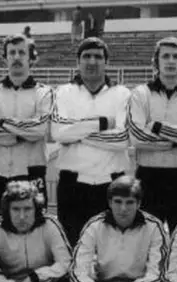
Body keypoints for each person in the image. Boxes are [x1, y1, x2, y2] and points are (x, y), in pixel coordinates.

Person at [51, 37, 131, 245]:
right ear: (78, 62)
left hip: (111, 183)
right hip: (72, 184)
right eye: (86, 56)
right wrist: (103, 123)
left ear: (107, 62)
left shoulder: (122, 94)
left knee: (111, 248)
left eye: (98, 57)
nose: (92, 61)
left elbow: (122, 138)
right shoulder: (63, 92)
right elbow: (59, 133)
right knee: (73, 245)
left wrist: (77, 133)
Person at [127, 36, 177, 231]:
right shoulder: (140, 93)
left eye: (176, 57)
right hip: (148, 177)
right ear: (156, 61)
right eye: (166, 56)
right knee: (147, 238)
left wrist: (157, 127)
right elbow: (136, 136)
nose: (171, 61)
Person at [0, 33, 53, 224]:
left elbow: (40, 129)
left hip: (31, 174)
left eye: (21, 53)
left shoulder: (44, 92)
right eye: (12, 53)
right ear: (5, 58)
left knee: (34, 232)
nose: (16, 57)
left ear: (31, 58)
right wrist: (21, 135)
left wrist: (2, 122)